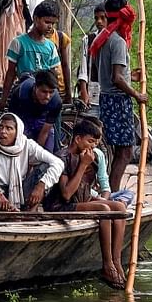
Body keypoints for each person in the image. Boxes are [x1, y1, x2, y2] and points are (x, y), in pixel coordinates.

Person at [43, 118, 129, 289]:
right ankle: (107, 265)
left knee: (119, 207)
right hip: (61, 205)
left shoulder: (93, 156)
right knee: (104, 209)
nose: (93, 147)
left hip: (82, 199)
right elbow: (66, 194)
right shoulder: (62, 157)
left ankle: (117, 261)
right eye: (90, 141)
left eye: (95, 143)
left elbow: (94, 185)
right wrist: (83, 165)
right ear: (77, 139)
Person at [92, 0, 147, 191]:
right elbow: (116, 77)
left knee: (116, 150)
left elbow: (110, 74)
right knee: (125, 151)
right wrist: (136, 95)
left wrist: (130, 76)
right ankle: (113, 193)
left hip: (106, 99)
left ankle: (110, 190)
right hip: (117, 102)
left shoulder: (102, 39)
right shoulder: (117, 42)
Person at [0, 113, 63, 211]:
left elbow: (58, 163)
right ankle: (8, 210)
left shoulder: (27, 144)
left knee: (46, 165)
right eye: (0, 127)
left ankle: (30, 209)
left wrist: (41, 186)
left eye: (9, 128)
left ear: (18, 132)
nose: (3, 131)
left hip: (20, 190)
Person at [0, 0, 62, 107]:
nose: (50, 27)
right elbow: (10, 73)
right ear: (36, 19)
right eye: (47, 22)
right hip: (26, 90)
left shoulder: (51, 47)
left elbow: (54, 73)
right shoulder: (18, 43)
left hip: (45, 91)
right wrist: (3, 100)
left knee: (56, 104)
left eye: (53, 23)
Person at [8, 69, 63, 151]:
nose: (47, 96)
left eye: (51, 92)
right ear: (35, 87)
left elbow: (45, 132)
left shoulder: (56, 101)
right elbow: (13, 123)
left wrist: (37, 153)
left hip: (42, 119)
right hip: (23, 117)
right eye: (44, 92)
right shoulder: (20, 93)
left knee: (48, 153)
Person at [77, 4, 107, 109]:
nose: (99, 21)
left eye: (103, 18)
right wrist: (84, 93)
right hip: (92, 94)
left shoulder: (115, 40)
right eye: (96, 18)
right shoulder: (88, 40)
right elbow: (83, 70)